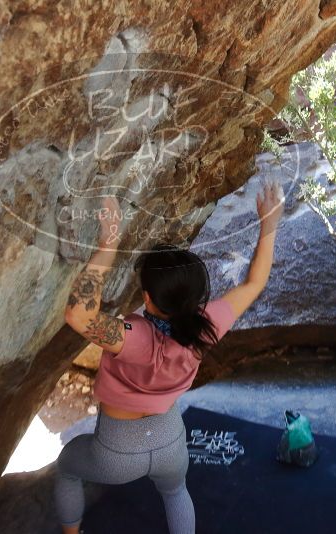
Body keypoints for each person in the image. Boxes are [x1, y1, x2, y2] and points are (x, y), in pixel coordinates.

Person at [54, 180, 285, 534]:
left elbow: (79, 315)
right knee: (176, 491)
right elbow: (254, 284)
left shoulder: (132, 339)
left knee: (67, 466)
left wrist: (108, 243)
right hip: (170, 440)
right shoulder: (206, 327)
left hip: (116, 451)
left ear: (147, 298)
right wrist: (269, 226)